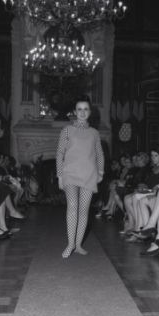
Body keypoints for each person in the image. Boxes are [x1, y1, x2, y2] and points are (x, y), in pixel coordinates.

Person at [56, 96, 104, 258]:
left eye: (85, 109)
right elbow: (60, 153)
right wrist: (59, 176)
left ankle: (78, 245)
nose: (82, 112)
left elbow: (99, 154)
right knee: (72, 206)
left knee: (84, 211)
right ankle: (70, 244)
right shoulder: (67, 130)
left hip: (88, 175)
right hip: (70, 173)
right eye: (79, 109)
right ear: (75, 112)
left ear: (90, 112)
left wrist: (101, 173)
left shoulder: (94, 133)